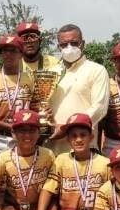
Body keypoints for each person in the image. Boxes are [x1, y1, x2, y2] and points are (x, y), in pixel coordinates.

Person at [46, 24, 110, 155]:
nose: (69, 47)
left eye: (74, 43)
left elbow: (99, 107)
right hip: (53, 146)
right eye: (64, 44)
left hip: (84, 146)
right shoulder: (50, 73)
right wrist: (48, 126)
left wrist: (67, 128)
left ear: (83, 44)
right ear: (59, 47)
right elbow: (44, 105)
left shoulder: (96, 70)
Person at [0, 35, 34, 155]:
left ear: (21, 54)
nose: (8, 54)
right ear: (0, 54)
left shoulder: (30, 79)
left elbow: (36, 108)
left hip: (23, 137)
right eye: (4, 51)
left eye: (13, 50)